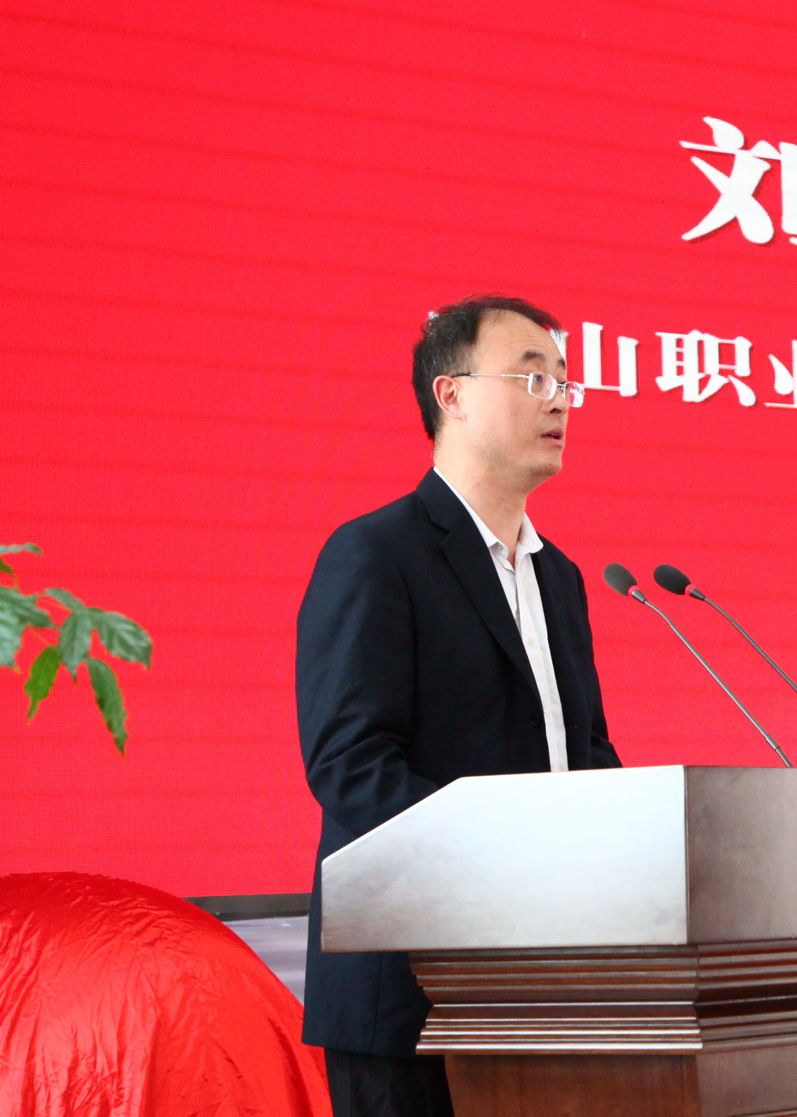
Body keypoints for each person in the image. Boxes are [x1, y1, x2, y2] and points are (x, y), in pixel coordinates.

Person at [295, 295, 621, 1117]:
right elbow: (351, 767)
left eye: (564, 382)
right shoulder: (376, 553)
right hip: (412, 998)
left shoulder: (559, 577)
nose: (558, 400)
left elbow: (585, 755)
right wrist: (512, 860)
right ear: (452, 395)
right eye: (532, 377)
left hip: (544, 990)